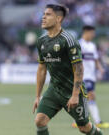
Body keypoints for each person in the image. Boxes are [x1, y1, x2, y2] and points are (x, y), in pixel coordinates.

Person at [33, 4, 103, 135]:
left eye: (48, 14)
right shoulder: (41, 41)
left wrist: (75, 95)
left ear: (58, 19)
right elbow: (42, 69)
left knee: (84, 128)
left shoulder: (68, 40)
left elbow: (79, 68)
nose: (43, 17)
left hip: (72, 90)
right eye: (43, 14)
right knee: (40, 121)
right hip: (54, 89)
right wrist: (37, 96)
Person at [72, 26, 109, 129]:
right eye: (92, 33)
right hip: (82, 76)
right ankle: (98, 121)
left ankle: (77, 121)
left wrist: (100, 69)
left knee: (83, 98)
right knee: (90, 95)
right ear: (86, 32)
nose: (93, 35)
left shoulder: (92, 45)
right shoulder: (79, 44)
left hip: (91, 76)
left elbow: (95, 59)